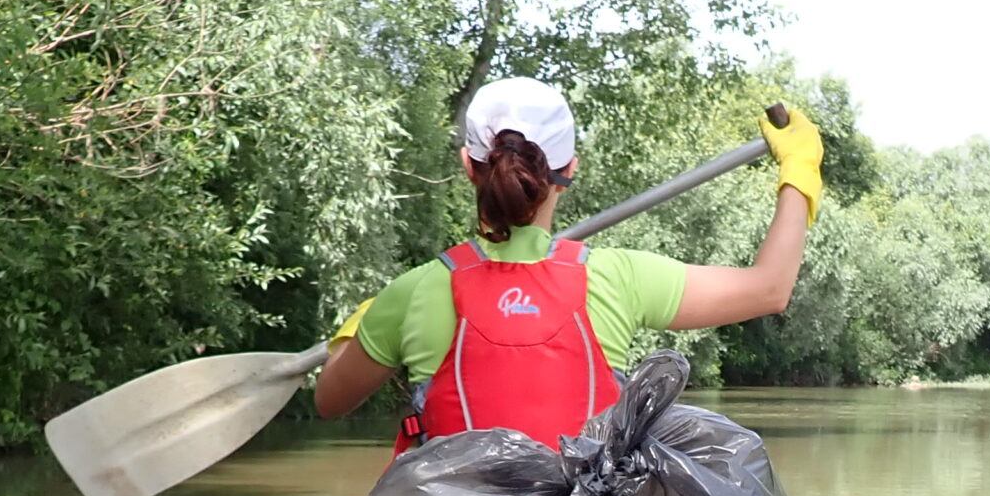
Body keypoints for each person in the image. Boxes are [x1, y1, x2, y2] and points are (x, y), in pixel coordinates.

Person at [314, 76, 822, 444]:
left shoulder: (414, 293)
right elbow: (770, 288)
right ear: (571, 169)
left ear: (468, 166)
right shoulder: (617, 277)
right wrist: (799, 172)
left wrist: (357, 332)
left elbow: (330, 401)